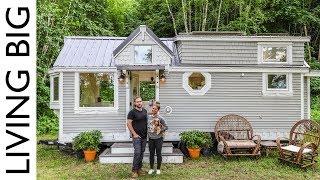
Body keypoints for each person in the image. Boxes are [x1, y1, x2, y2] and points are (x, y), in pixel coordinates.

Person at [127, 96, 148, 178]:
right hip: (137, 137)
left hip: (144, 136)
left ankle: (139, 169)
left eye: (140, 101)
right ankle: (134, 171)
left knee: (141, 153)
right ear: (135, 103)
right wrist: (134, 134)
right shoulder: (132, 112)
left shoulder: (145, 111)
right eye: (137, 101)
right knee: (137, 152)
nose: (139, 103)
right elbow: (128, 124)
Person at [147, 101, 168, 175]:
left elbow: (166, 127)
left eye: (155, 109)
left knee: (158, 153)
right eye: (153, 108)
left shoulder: (160, 118)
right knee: (151, 154)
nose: (153, 110)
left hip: (159, 139)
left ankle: (158, 169)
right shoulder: (148, 118)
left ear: (158, 110)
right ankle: (151, 168)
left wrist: (159, 129)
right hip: (151, 139)